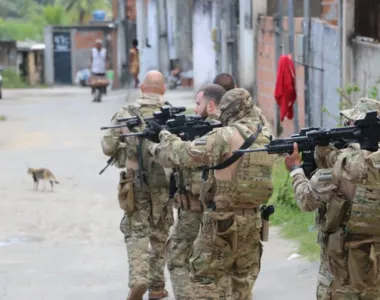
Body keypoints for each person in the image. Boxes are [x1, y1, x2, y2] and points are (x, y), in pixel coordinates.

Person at [147, 88, 275, 299]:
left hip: (222, 222)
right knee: (241, 283)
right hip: (253, 221)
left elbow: (184, 154)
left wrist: (162, 134)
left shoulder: (224, 136)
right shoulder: (265, 135)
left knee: (205, 280)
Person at [286, 97, 380, 299]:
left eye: (350, 123)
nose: (346, 126)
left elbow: (306, 200)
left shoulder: (341, 167)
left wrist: (296, 170)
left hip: (342, 274)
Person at [101, 70, 173, 300]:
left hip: (134, 184)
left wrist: (126, 140)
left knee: (136, 233)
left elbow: (108, 147)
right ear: (163, 90)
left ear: (142, 88)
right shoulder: (170, 114)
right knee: (160, 234)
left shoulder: (126, 114)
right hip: (163, 185)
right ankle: (157, 286)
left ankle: (138, 278)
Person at [165, 84, 225, 299]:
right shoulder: (233, 130)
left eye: (198, 104)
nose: (195, 108)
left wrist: (163, 140)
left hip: (194, 208)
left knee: (178, 259)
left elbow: (180, 157)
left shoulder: (205, 133)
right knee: (218, 262)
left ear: (210, 104)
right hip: (224, 208)